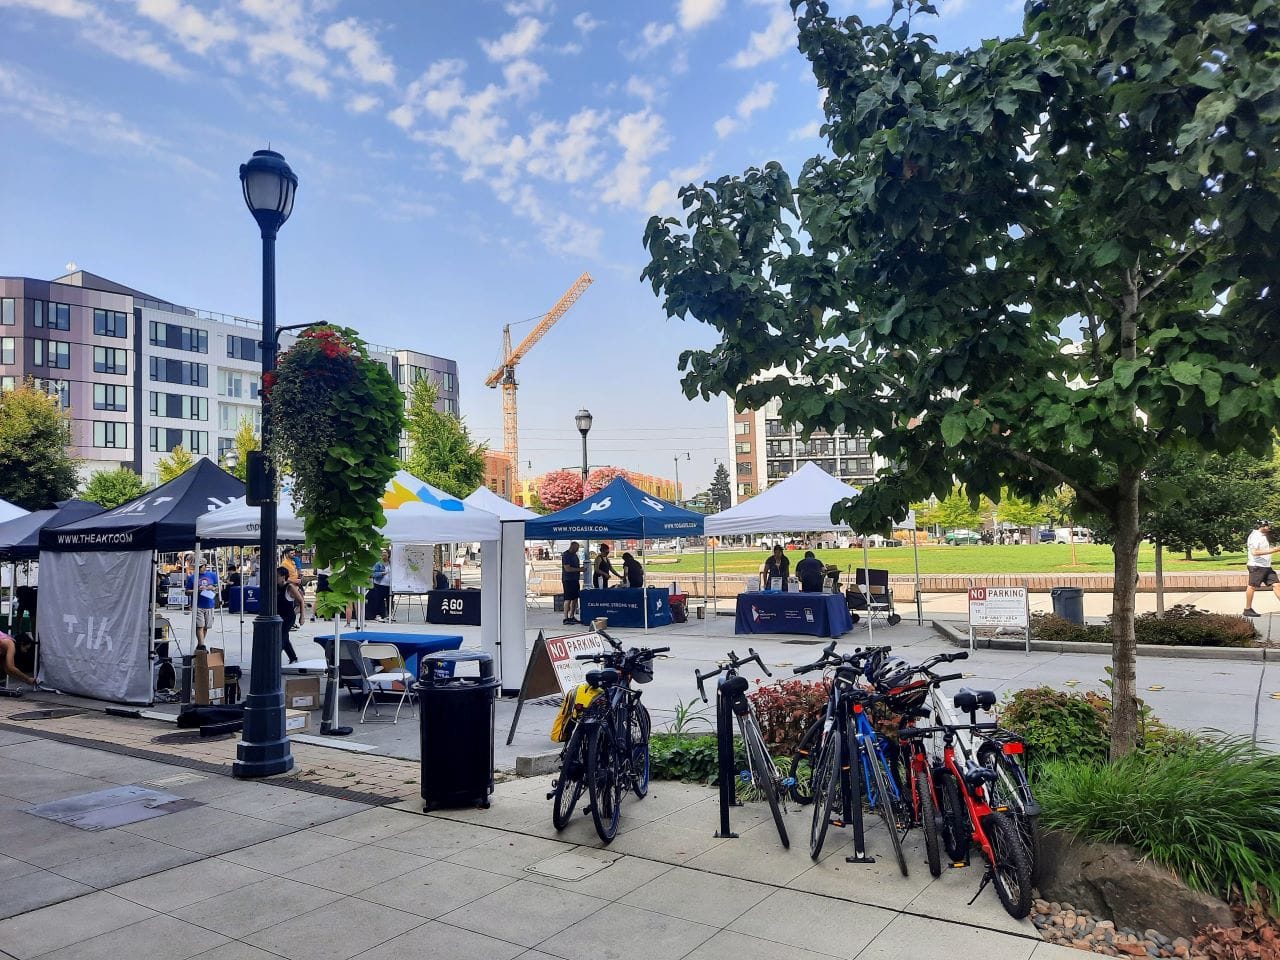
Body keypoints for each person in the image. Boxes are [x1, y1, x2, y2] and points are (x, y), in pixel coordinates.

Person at [1244, 520, 1280, 617]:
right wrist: (1274, 550)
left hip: (1266, 566)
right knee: (1252, 586)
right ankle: (1247, 609)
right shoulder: (1255, 536)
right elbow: (1255, 552)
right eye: (1268, 526)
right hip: (1256, 566)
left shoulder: (1262, 536)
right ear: (1262, 526)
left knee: (1276, 585)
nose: (1269, 527)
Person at [185, 562, 219, 650]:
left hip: (209, 603)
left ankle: (200, 645)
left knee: (206, 626)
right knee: (199, 625)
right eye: (198, 567)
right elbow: (187, 592)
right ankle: (202, 645)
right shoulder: (192, 577)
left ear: (205, 566)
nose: (199, 568)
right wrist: (196, 590)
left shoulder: (212, 575)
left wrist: (211, 588)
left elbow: (218, 587)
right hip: (198, 604)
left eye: (201, 566)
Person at [275, 566, 301, 663]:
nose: (275, 578)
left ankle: (276, 655)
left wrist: (301, 616)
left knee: (282, 635)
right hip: (279, 616)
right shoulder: (275, 587)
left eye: (277, 576)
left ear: (283, 577)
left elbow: (301, 601)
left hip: (289, 617)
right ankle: (293, 658)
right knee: (284, 636)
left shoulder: (289, 587)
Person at [366, 548, 391, 622]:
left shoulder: (391, 564)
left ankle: (388, 615)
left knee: (389, 600)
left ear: (389, 554)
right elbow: (371, 574)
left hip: (389, 585)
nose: (383, 554)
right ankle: (378, 615)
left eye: (385, 552)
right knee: (378, 600)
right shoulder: (378, 563)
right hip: (379, 584)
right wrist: (381, 573)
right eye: (382, 552)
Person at [561, 541, 582, 624]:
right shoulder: (566, 555)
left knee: (575, 599)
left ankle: (572, 616)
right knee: (568, 599)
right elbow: (567, 569)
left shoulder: (575, 555)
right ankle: (566, 618)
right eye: (576, 548)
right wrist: (580, 569)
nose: (577, 550)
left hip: (575, 579)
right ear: (572, 547)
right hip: (568, 580)